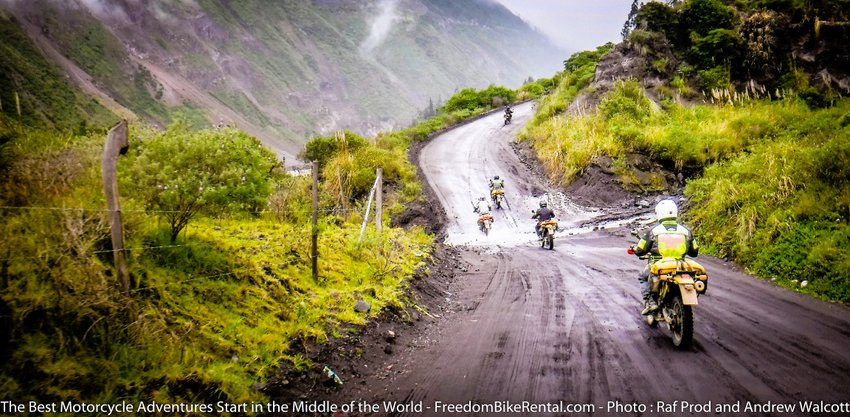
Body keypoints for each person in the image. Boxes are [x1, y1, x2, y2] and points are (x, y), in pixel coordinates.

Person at [629, 199, 700, 315]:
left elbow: (641, 250)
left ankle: (651, 301)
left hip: (660, 265)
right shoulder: (686, 231)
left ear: (659, 213)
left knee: (643, 276)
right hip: (680, 265)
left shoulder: (653, 231)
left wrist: (634, 249)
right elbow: (694, 252)